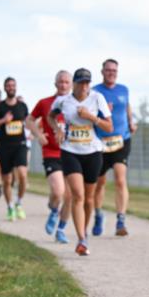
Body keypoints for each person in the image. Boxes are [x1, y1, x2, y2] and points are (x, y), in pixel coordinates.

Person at [48, 68, 113, 256]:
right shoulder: (63, 101)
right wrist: (57, 130)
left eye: (87, 83)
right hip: (70, 151)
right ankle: (82, 239)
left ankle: (84, 233)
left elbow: (109, 126)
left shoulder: (97, 98)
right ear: (74, 84)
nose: (84, 86)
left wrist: (91, 117)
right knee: (77, 194)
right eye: (81, 82)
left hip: (93, 152)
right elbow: (51, 117)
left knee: (89, 198)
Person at [29, 70, 74, 243]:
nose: (63, 85)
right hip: (52, 152)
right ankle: (54, 210)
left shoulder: (76, 105)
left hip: (72, 153)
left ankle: (61, 229)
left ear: (71, 85)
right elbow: (29, 120)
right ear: (55, 84)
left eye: (66, 82)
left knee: (70, 196)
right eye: (60, 82)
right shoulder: (45, 103)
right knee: (58, 191)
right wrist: (38, 135)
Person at [92, 58, 136, 237]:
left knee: (120, 178)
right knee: (99, 182)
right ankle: (98, 215)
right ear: (102, 72)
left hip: (121, 140)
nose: (111, 73)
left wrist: (132, 122)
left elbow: (127, 108)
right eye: (108, 70)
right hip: (100, 142)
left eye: (114, 71)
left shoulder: (123, 90)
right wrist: (103, 112)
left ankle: (120, 220)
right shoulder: (94, 92)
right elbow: (89, 115)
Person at [0, 77, 30, 221]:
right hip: (4, 147)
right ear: (5, 88)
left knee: (22, 174)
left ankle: (19, 203)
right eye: (8, 86)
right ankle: (10, 207)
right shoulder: (0, 107)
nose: (11, 88)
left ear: (16, 87)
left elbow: (29, 122)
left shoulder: (22, 106)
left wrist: (38, 133)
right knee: (7, 180)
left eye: (13, 85)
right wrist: (3, 121)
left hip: (20, 145)